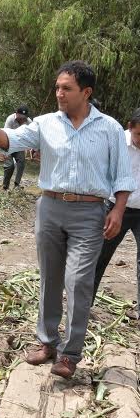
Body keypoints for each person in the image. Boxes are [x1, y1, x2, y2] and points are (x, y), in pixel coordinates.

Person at [0, 60, 135, 379]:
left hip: (90, 213)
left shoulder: (110, 129)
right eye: (57, 87)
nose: (59, 93)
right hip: (50, 208)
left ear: (86, 92)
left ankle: (70, 354)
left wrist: (117, 210)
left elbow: (124, 176)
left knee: (79, 281)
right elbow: (11, 141)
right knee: (51, 278)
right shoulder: (44, 124)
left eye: (66, 88)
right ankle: (47, 342)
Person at [93, 108, 140, 311]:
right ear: (130, 127)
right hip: (114, 208)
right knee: (98, 257)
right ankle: (84, 306)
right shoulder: (115, 141)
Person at [2, 106, 31, 190]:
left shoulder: (29, 122)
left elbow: (33, 134)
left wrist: (32, 148)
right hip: (7, 144)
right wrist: (5, 152)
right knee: (10, 165)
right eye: (21, 117)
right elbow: (5, 135)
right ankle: (5, 186)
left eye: (24, 117)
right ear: (16, 114)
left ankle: (16, 184)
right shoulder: (10, 119)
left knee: (21, 162)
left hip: (19, 145)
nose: (23, 119)